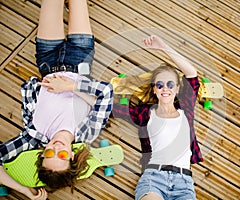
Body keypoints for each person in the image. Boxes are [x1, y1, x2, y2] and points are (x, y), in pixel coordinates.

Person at [0, 0, 113, 199]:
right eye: (61, 156)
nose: (56, 148)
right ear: (71, 156)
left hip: (48, 57)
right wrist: (70, 86)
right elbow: (106, 92)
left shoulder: (35, 133)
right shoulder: (87, 132)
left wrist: (25, 190)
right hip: (81, 57)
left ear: (42, 154)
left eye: (49, 154)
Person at [112, 35, 203, 200]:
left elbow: (191, 74)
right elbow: (111, 108)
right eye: (160, 85)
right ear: (154, 89)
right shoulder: (145, 113)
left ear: (177, 89)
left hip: (184, 183)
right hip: (154, 179)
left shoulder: (185, 107)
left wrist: (163, 47)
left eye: (170, 84)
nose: (165, 88)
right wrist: (74, 88)